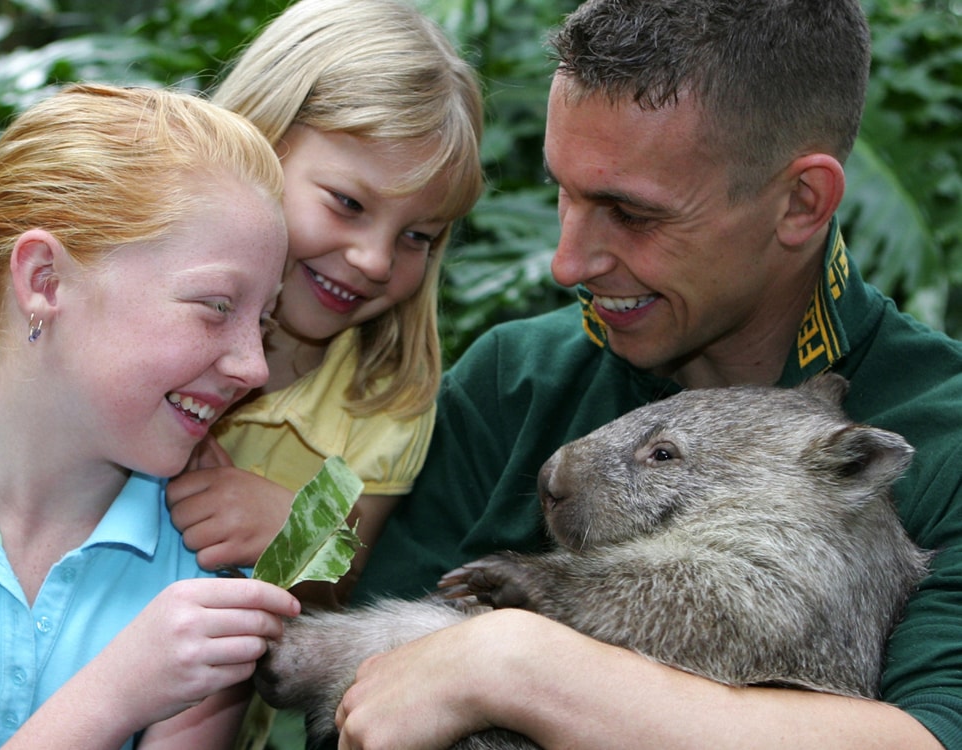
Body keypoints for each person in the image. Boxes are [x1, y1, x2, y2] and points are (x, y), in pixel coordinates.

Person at [332, 0, 962, 748]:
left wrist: (517, 665)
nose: (569, 261)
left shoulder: (939, 433)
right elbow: (360, 697)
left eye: (630, 214)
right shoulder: (517, 379)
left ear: (801, 202)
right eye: (561, 192)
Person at [0, 83, 301, 748]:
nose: (253, 365)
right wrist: (118, 692)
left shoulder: (212, 568)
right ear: (45, 281)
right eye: (217, 305)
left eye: (265, 320)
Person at [165, 0, 483, 606]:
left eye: (418, 236)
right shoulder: (127, 293)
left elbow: (351, 585)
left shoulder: (385, 401)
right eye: (348, 203)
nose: (376, 260)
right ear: (256, 143)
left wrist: (298, 535)